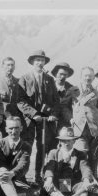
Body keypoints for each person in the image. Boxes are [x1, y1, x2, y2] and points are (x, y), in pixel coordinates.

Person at [17, 50, 59, 182]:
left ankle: (39, 175)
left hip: (46, 120)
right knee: (26, 147)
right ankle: (21, 176)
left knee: (43, 147)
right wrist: (33, 114)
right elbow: (20, 101)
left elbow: (56, 101)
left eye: (42, 61)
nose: (40, 63)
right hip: (29, 119)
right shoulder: (24, 78)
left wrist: (52, 114)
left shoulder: (50, 80)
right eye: (37, 60)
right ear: (32, 62)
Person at [43, 127, 98, 196]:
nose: (67, 143)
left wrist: (86, 180)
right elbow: (50, 167)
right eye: (64, 141)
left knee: (83, 187)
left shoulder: (80, 154)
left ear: (74, 141)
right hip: (58, 184)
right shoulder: (54, 153)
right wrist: (49, 179)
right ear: (60, 141)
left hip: (73, 184)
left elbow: (85, 168)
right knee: (49, 186)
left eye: (69, 141)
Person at [71, 66, 98, 171]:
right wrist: (70, 118)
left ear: (93, 78)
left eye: (90, 76)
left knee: (94, 155)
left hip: (94, 129)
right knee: (81, 153)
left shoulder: (97, 94)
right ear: (81, 77)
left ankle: (93, 180)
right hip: (79, 129)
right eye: (85, 76)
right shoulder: (73, 91)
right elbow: (65, 107)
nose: (88, 78)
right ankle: (81, 180)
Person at [0, 57, 24, 139]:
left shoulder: (19, 82)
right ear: (2, 66)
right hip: (1, 118)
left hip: (16, 119)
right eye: (8, 65)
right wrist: (5, 112)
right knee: (1, 142)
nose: (10, 67)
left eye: (12, 65)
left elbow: (21, 100)